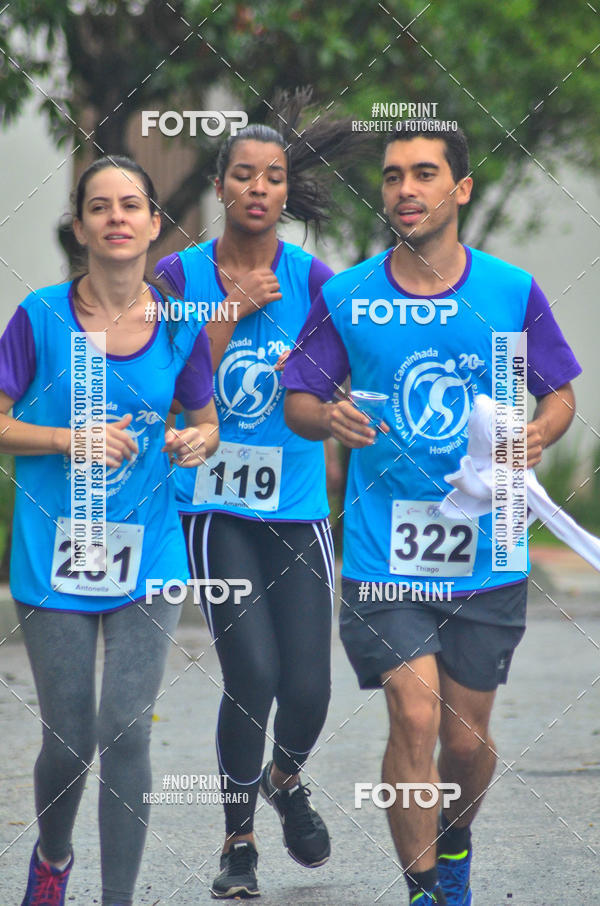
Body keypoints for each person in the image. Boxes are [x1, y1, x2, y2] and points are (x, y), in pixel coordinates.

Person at [283, 121, 581, 906]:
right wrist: (329, 421)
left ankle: (454, 841)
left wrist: (536, 437)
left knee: (467, 741)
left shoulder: (509, 291)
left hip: (491, 546)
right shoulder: (347, 295)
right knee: (412, 716)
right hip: (386, 553)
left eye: (422, 174)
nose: (405, 190)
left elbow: (559, 396)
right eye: (391, 176)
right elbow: (301, 400)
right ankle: (423, 893)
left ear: (461, 189)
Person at [155, 92, 368, 899]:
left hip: (298, 509)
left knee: (309, 689)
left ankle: (285, 777)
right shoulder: (177, 275)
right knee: (252, 675)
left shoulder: (317, 281)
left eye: (272, 177)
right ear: (219, 186)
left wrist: (343, 413)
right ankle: (237, 843)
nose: (256, 188)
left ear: (285, 193)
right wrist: (226, 315)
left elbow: (328, 388)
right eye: (242, 174)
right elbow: (166, 385)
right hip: (212, 507)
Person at [0, 156, 219, 906]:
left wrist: (199, 441)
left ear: (155, 224)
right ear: (81, 226)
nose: (117, 217)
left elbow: (205, 421)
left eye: (132, 205)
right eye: (100, 207)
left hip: (149, 551)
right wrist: (69, 439)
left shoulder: (183, 326)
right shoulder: (38, 317)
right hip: (54, 555)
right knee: (70, 740)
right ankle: (54, 858)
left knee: (125, 731)